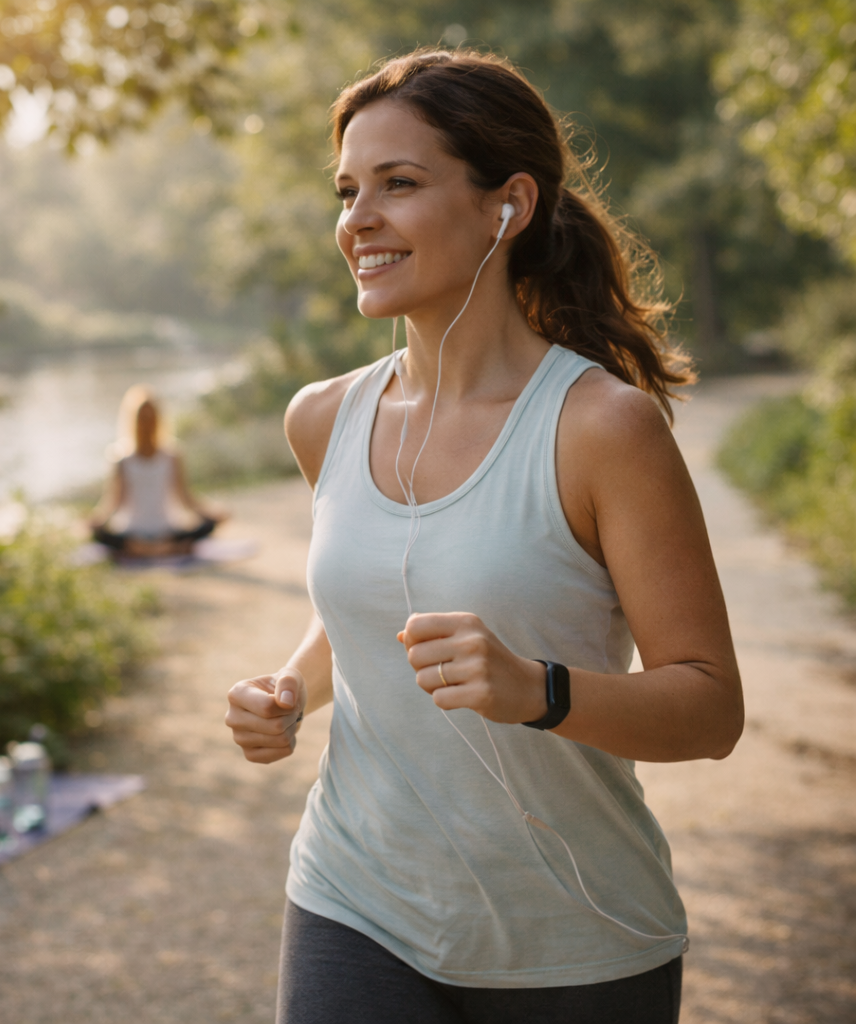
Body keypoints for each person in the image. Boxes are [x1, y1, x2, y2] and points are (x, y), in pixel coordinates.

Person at [225, 49, 743, 1024]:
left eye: (398, 184)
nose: (356, 220)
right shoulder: (320, 418)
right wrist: (293, 686)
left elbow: (710, 709)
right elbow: (370, 599)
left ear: (506, 204)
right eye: (345, 191)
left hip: (573, 939)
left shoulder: (602, 428)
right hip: (353, 899)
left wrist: (537, 691)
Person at [89, 385, 226, 557]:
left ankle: (146, 549)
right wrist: (96, 521)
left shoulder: (172, 455)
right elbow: (113, 502)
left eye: (151, 417)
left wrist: (211, 512)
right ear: (133, 420)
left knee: (208, 524)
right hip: (133, 531)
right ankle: (166, 548)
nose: (147, 423)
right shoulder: (121, 458)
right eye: (142, 418)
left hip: (167, 529)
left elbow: (185, 497)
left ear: (159, 420)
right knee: (98, 534)